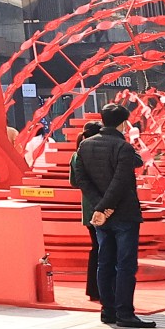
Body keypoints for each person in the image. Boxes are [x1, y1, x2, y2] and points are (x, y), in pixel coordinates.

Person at [76, 104, 152, 328]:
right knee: (125, 265)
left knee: (105, 262)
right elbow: (121, 182)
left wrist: (100, 207)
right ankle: (125, 313)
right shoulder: (123, 147)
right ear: (123, 123)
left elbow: (82, 180)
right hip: (124, 214)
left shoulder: (85, 146)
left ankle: (107, 310)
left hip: (101, 216)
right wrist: (106, 207)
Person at [69, 120, 104, 301]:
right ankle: (101, 289)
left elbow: (74, 182)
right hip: (103, 207)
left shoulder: (76, 155)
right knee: (104, 249)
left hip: (88, 209)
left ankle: (93, 290)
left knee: (96, 248)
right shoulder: (99, 154)